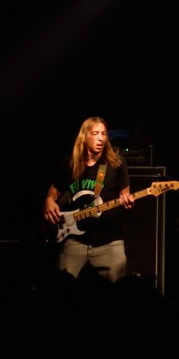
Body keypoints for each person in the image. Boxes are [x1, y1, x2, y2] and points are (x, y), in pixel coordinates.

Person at [42, 116, 135, 283]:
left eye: (104, 134)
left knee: (118, 292)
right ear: (84, 136)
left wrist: (127, 199)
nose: (101, 138)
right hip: (74, 238)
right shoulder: (69, 163)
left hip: (109, 240)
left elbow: (125, 192)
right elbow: (55, 188)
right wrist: (49, 200)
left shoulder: (116, 163)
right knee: (62, 288)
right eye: (95, 133)